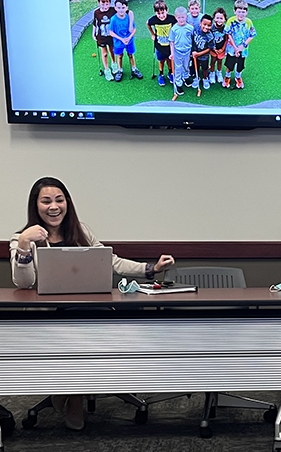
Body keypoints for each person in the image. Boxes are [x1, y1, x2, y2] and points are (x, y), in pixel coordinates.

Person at [10, 177, 175, 430]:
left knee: (94, 322)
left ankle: (70, 392)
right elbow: (24, 282)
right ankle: (74, 394)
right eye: (46, 201)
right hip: (51, 316)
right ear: (36, 206)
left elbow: (110, 261)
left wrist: (151, 268)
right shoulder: (22, 238)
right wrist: (24, 245)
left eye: (59, 200)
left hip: (91, 307)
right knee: (78, 331)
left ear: (67, 203)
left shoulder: (81, 231)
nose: (54, 207)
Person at [223, 0, 256, 89]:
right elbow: (228, 34)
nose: (241, 14)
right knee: (230, 64)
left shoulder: (248, 22)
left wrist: (243, 45)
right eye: (239, 12)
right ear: (234, 11)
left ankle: (238, 77)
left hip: (243, 49)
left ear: (246, 12)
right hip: (231, 49)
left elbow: (252, 35)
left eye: (243, 12)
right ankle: (227, 76)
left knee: (240, 65)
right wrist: (235, 47)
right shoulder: (231, 21)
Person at [109, 0, 143, 81]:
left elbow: (134, 29)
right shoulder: (113, 19)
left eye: (123, 8)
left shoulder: (129, 17)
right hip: (118, 42)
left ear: (126, 8)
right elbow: (111, 32)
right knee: (119, 56)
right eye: (119, 8)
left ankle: (134, 68)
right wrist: (121, 39)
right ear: (115, 8)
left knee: (131, 55)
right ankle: (119, 70)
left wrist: (129, 38)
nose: (121, 10)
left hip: (129, 41)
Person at [146, 0, 175, 87]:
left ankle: (170, 73)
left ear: (167, 10)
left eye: (163, 13)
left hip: (169, 46)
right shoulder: (154, 20)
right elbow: (147, 23)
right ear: (155, 13)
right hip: (159, 45)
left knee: (169, 60)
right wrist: (153, 34)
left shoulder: (171, 18)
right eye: (158, 13)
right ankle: (161, 74)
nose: (161, 16)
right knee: (161, 60)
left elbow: (176, 26)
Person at [92, 0, 118, 81]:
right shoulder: (97, 13)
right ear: (99, 2)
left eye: (107, 3)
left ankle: (114, 64)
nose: (105, 5)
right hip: (101, 36)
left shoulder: (112, 10)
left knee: (112, 50)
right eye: (103, 3)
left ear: (109, 2)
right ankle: (107, 69)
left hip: (111, 36)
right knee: (105, 53)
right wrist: (93, 33)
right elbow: (95, 24)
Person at [169, 7, 193, 98]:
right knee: (178, 68)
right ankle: (178, 83)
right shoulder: (174, 29)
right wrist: (172, 53)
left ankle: (186, 77)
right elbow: (171, 42)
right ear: (176, 17)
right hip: (177, 51)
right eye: (179, 18)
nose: (181, 19)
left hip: (187, 51)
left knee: (186, 65)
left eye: (183, 17)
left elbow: (192, 39)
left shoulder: (190, 28)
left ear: (186, 16)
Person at [190, 14, 215, 93]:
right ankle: (197, 78)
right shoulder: (196, 29)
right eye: (204, 24)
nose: (206, 27)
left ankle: (205, 79)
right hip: (194, 54)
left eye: (209, 25)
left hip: (204, 56)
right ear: (200, 23)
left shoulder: (210, 36)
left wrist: (199, 54)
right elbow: (192, 40)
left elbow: (209, 49)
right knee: (195, 66)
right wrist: (193, 52)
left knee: (205, 68)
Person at [209, 8, 228, 84]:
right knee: (213, 61)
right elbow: (209, 39)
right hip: (213, 48)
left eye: (221, 18)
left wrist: (223, 49)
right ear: (214, 18)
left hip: (221, 48)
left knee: (220, 61)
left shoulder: (225, 28)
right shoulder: (211, 28)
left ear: (224, 19)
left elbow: (226, 39)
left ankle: (219, 73)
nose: (219, 20)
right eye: (217, 18)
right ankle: (212, 73)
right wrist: (213, 49)